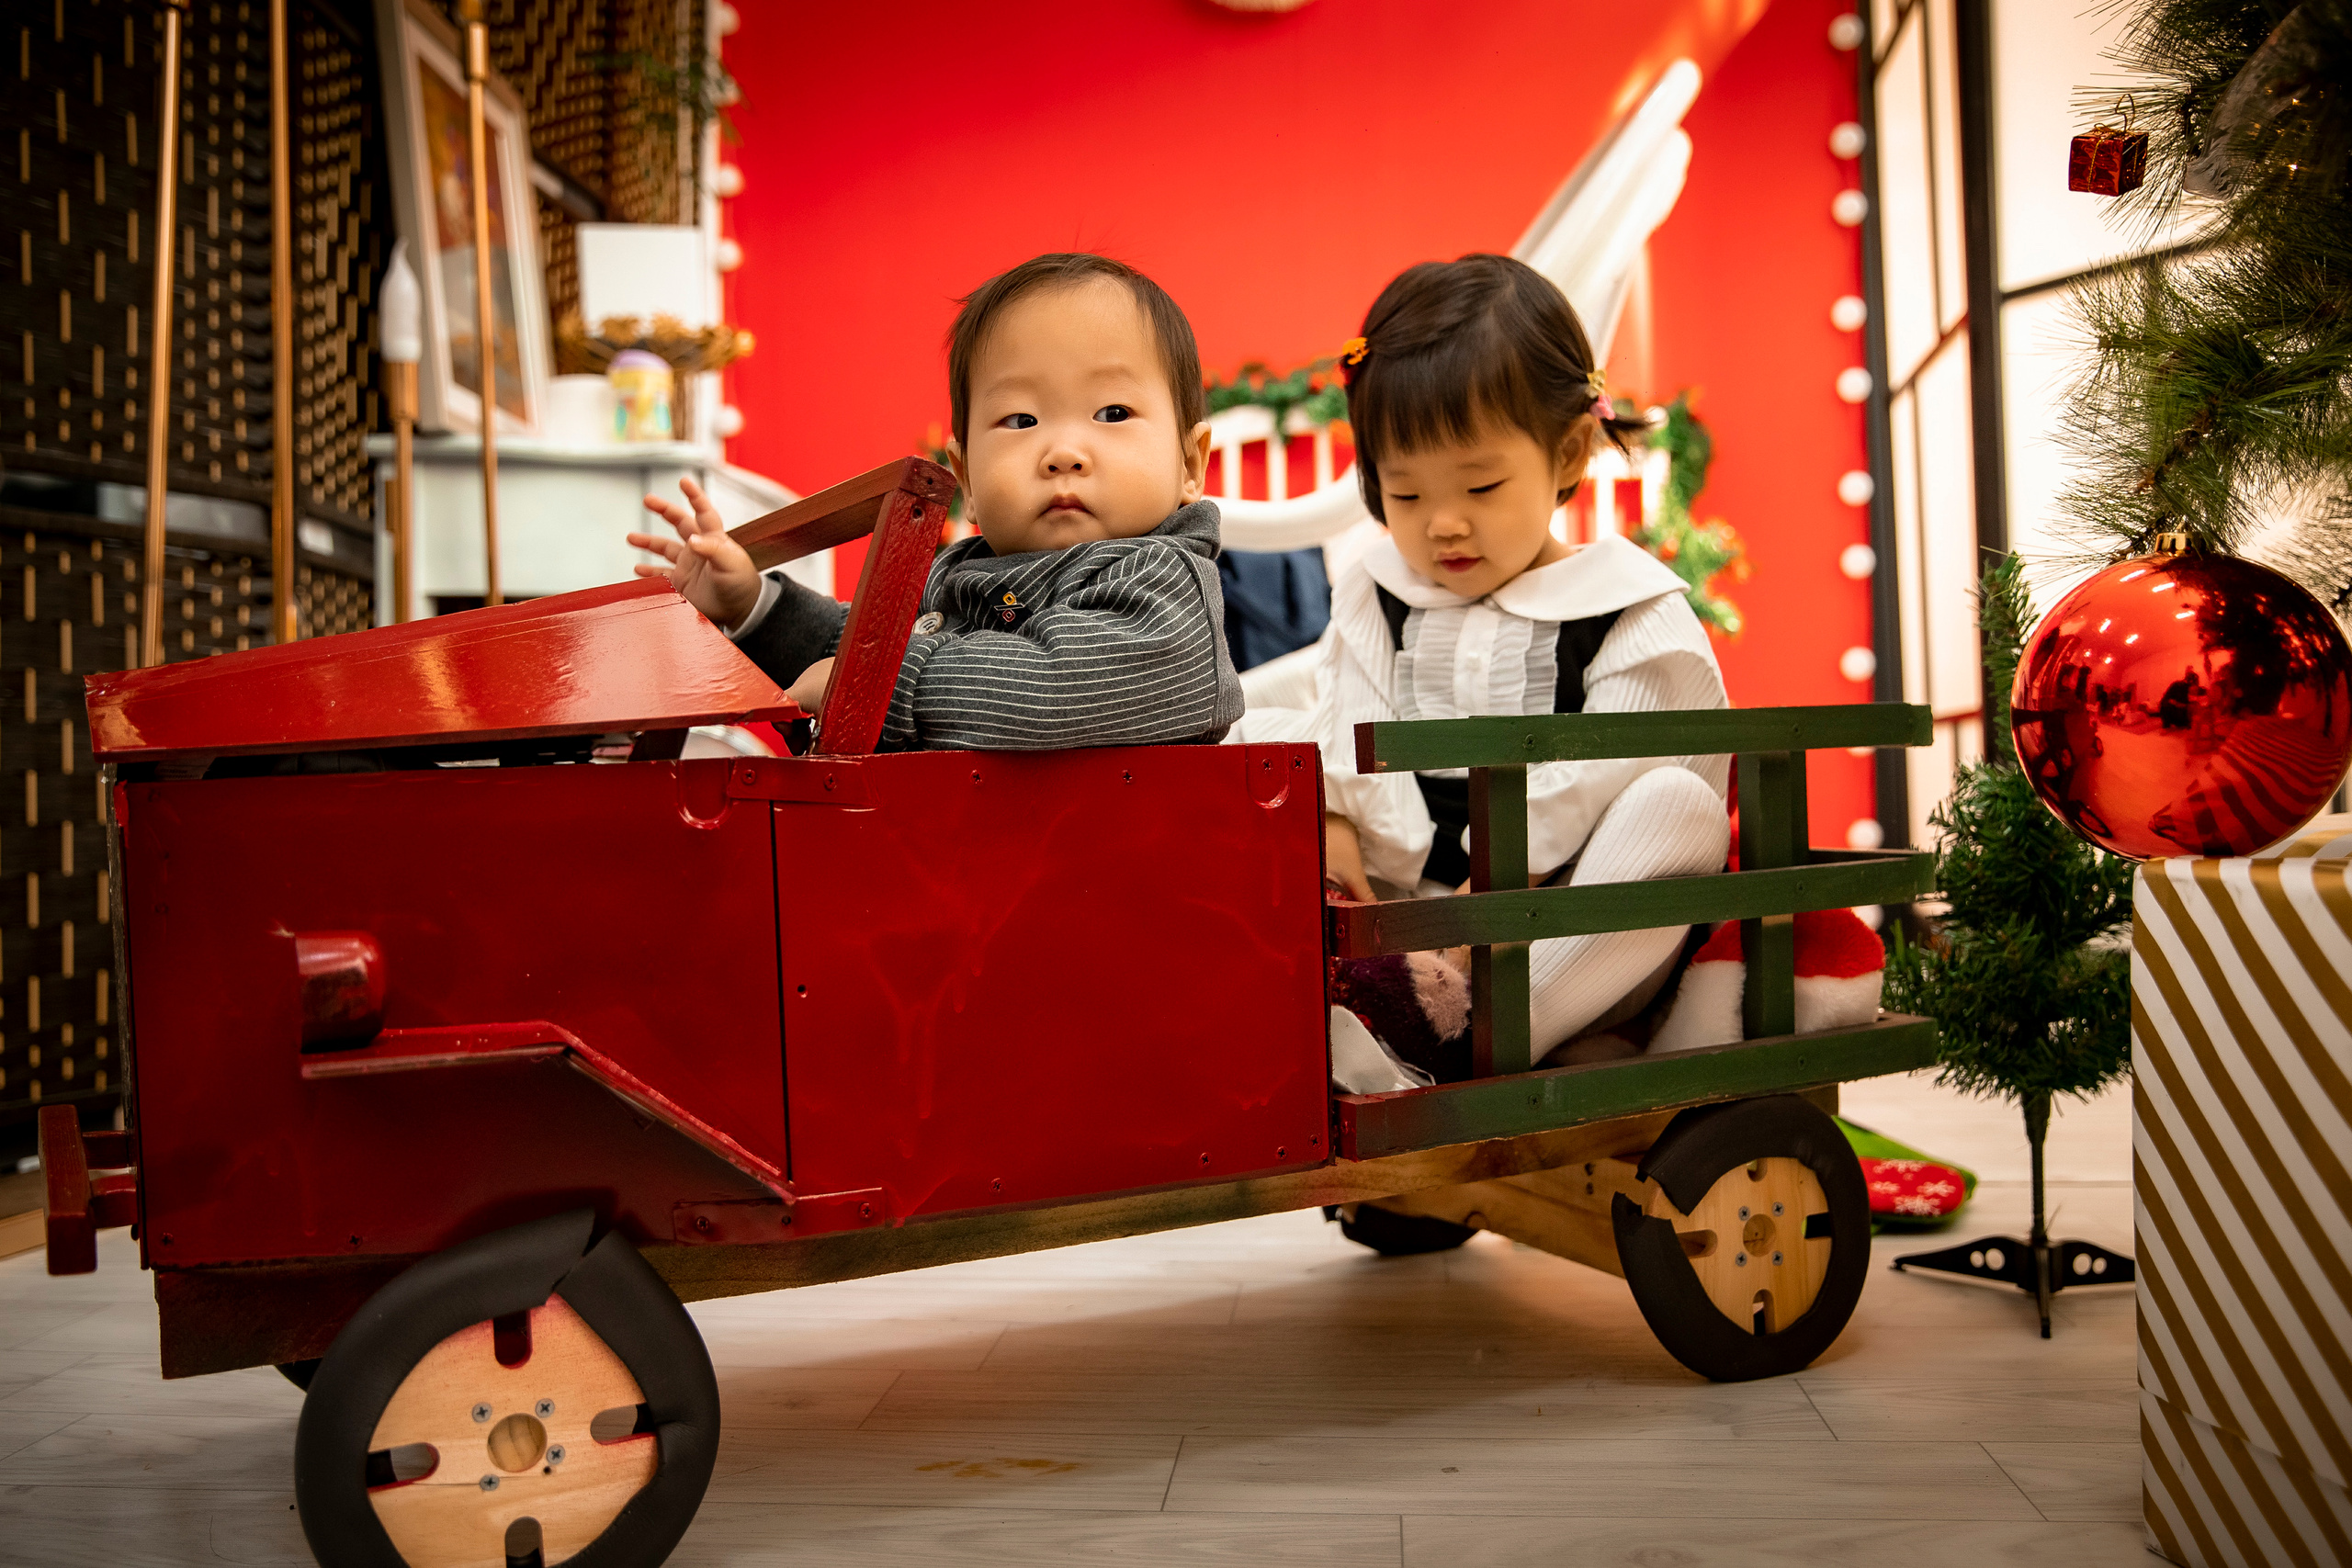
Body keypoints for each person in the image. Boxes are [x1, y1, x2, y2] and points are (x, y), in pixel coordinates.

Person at [1299, 254, 1732, 1080]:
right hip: (1411, 928)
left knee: (1680, 808)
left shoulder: (1628, 606)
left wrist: (1478, 919)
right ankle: (1389, 1016)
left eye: (1482, 484)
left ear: (1569, 453)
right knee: (1271, 757)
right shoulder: (1376, 591)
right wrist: (1339, 845)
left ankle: (1494, 1035)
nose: (1444, 525)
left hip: (1569, 935)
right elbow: (1342, 726)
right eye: (1407, 495)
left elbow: (1612, 769)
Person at [628, 253, 1244, 751]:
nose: (1063, 451)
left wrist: (872, 686)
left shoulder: (1163, 581)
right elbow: (864, 645)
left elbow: (1055, 687)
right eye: (1021, 418)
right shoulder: (959, 574)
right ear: (967, 476)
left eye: (1112, 412)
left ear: (1191, 465)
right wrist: (756, 604)